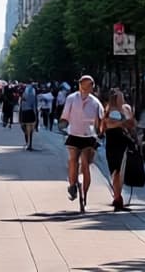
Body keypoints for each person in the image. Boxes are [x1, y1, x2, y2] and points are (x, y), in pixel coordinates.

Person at [60, 75, 104, 204]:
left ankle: (84, 194)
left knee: (86, 165)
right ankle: (72, 184)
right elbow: (65, 116)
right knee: (73, 160)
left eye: (88, 85)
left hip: (89, 137)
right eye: (82, 84)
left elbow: (102, 118)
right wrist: (63, 124)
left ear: (92, 86)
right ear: (79, 85)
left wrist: (101, 131)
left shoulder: (95, 102)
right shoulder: (71, 98)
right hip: (74, 134)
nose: (84, 87)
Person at [102, 88, 138, 210]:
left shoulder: (126, 109)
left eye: (122, 97)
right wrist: (122, 123)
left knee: (120, 170)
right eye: (119, 97)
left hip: (123, 142)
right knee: (114, 171)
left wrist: (119, 123)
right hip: (111, 142)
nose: (121, 99)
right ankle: (117, 196)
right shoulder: (107, 110)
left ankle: (118, 197)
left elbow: (132, 124)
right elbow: (105, 126)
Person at [19, 80, 38, 147]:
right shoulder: (33, 91)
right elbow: (34, 104)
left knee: (25, 128)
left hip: (25, 112)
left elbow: (21, 104)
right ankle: (30, 143)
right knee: (31, 128)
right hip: (31, 112)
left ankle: (28, 142)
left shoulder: (24, 92)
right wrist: (36, 114)